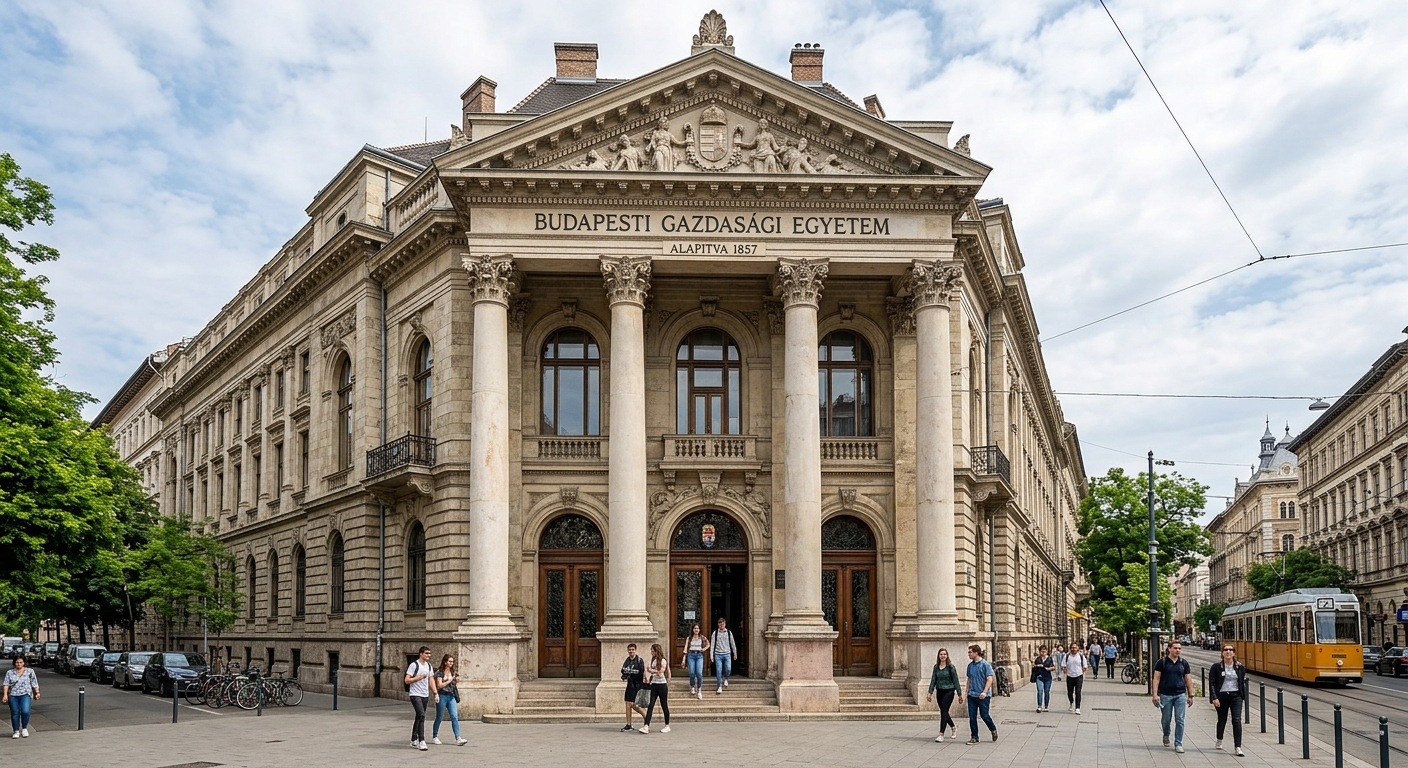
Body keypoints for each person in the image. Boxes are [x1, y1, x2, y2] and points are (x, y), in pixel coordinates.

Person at [1152, 640, 1196, 753]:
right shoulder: (1161, 662)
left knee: (1180, 720)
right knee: (1166, 719)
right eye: (1175, 648)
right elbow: (1156, 679)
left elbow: (1188, 679)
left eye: (1179, 648)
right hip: (1165, 695)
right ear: (1169, 649)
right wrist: (1155, 694)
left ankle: (1178, 743)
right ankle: (1166, 734)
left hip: (1180, 694)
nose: (1178, 650)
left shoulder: (1183, 663)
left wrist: (1191, 695)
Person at [1210, 645, 1248, 757]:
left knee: (1236, 720)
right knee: (1222, 719)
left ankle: (1238, 747)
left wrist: (1242, 696)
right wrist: (1214, 697)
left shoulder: (1240, 667)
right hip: (1221, 696)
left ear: (1234, 653)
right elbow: (1212, 682)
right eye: (1225, 650)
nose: (1228, 652)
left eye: (1230, 650)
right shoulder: (1216, 667)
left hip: (1236, 696)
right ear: (1222, 653)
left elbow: (1242, 682)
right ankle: (1219, 739)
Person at [429, 652, 467, 747]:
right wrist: (450, 680)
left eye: (452, 662)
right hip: (442, 696)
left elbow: (453, 684)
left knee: (454, 716)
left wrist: (456, 680)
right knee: (439, 717)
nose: (451, 663)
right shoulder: (439, 672)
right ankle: (435, 736)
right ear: (445, 662)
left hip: (451, 696)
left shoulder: (453, 672)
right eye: (450, 661)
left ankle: (458, 738)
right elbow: (439, 685)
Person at [964, 644, 998, 744]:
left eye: (970, 652)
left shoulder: (985, 665)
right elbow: (969, 679)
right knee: (972, 716)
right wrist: (966, 692)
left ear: (976, 653)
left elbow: (989, 679)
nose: (968, 654)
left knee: (984, 715)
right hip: (972, 695)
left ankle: (993, 729)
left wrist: (984, 691)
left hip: (983, 696)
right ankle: (974, 736)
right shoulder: (970, 666)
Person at [925, 648, 962, 742]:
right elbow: (933, 679)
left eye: (944, 654)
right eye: (941, 654)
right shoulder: (936, 667)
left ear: (947, 656)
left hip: (949, 691)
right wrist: (930, 692)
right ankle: (953, 727)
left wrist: (959, 694)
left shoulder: (951, 667)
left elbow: (956, 680)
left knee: (944, 711)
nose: (943, 656)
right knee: (943, 711)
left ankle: (941, 734)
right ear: (938, 656)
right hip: (940, 691)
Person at [404, 646, 433, 751]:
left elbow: (431, 680)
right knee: (421, 715)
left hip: (425, 694)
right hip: (415, 694)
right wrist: (418, 678)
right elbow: (407, 680)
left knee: (419, 717)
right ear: (421, 654)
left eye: (429, 653)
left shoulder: (429, 666)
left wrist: (435, 693)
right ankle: (422, 740)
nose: (428, 655)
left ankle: (413, 739)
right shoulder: (414, 665)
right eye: (426, 653)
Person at [3, 657, 40, 738]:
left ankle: (24, 728)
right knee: (15, 712)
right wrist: (5, 695)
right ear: (14, 663)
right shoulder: (10, 672)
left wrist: (37, 692)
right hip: (13, 695)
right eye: (17, 662)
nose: (19, 664)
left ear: (24, 663)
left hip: (25, 694)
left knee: (25, 711)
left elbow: (34, 683)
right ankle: (16, 730)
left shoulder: (30, 671)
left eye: (20, 662)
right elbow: (6, 684)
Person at [640, 643, 671, 734]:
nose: (652, 652)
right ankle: (646, 726)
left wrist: (651, 671)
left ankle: (667, 725)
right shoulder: (652, 660)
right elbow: (647, 670)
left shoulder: (663, 661)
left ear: (657, 651)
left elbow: (660, 673)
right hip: (654, 685)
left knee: (664, 705)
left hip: (662, 685)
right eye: (651, 651)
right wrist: (648, 675)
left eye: (653, 651)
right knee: (650, 705)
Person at [620, 643, 647, 732]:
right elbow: (623, 671)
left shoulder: (639, 660)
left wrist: (632, 674)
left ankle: (647, 718)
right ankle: (629, 725)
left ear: (635, 650)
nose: (631, 651)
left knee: (635, 705)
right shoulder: (627, 661)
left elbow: (641, 672)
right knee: (628, 704)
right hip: (630, 685)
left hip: (637, 685)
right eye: (629, 650)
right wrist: (624, 676)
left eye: (632, 649)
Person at [682, 622, 710, 699]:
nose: (696, 630)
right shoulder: (689, 638)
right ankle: (692, 686)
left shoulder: (702, 637)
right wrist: (684, 659)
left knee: (699, 673)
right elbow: (685, 648)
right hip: (691, 655)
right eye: (695, 628)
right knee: (691, 673)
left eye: (697, 628)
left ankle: (699, 689)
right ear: (692, 629)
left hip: (699, 655)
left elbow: (708, 644)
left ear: (699, 629)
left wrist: (703, 649)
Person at [711, 617, 737, 694]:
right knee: (719, 671)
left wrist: (734, 652)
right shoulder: (715, 633)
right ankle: (719, 686)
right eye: (720, 623)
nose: (721, 625)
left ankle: (726, 678)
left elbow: (732, 643)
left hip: (727, 653)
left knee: (728, 668)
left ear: (725, 624)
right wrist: (711, 655)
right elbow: (712, 644)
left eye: (723, 623)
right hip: (718, 654)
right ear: (718, 624)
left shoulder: (729, 633)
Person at [1062, 642, 1087, 714]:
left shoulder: (1081, 656)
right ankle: (1071, 702)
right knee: (1070, 692)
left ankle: (1077, 707)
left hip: (1079, 676)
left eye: (1075, 648)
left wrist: (1082, 673)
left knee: (1078, 692)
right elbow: (1063, 665)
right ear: (1070, 648)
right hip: (1070, 676)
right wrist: (1065, 671)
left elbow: (1085, 667)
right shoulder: (1067, 656)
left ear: (1078, 648)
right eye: (1072, 648)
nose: (1074, 649)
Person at [1032, 646, 1055, 713]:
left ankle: (1046, 706)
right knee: (1040, 691)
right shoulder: (1038, 659)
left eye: (1044, 651)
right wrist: (1036, 666)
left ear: (1046, 651)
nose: (1043, 653)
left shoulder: (1049, 659)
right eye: (1041, 651)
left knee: (1047, 691)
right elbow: (1034, 667)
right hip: (1039, 677)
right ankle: (1039, 706)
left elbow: (1053, 667)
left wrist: (1047, 668)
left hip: (1048, 678)